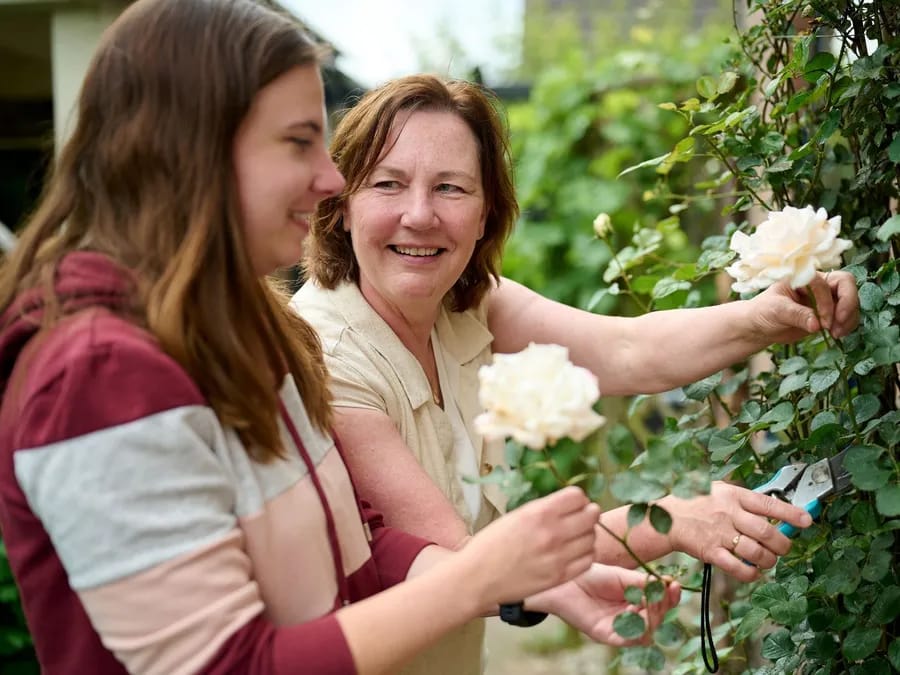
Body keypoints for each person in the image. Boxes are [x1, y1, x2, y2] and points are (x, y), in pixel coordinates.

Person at [0, 4, 683, 675]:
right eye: (299, 142)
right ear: (188, 150)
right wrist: (479, 578)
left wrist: (531, 582)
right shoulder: (98, 375)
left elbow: (357, 542)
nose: (331, 180)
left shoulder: (255, 330)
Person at [291, 74, 860, 673]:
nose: (419, 214)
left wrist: (766, 316)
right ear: (341, 205)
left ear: (485, 215)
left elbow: (630, 351)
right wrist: (670, 519)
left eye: (451, 187)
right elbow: (465, 564)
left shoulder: (466, 304)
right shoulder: (324, 354)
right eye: (388, 184)